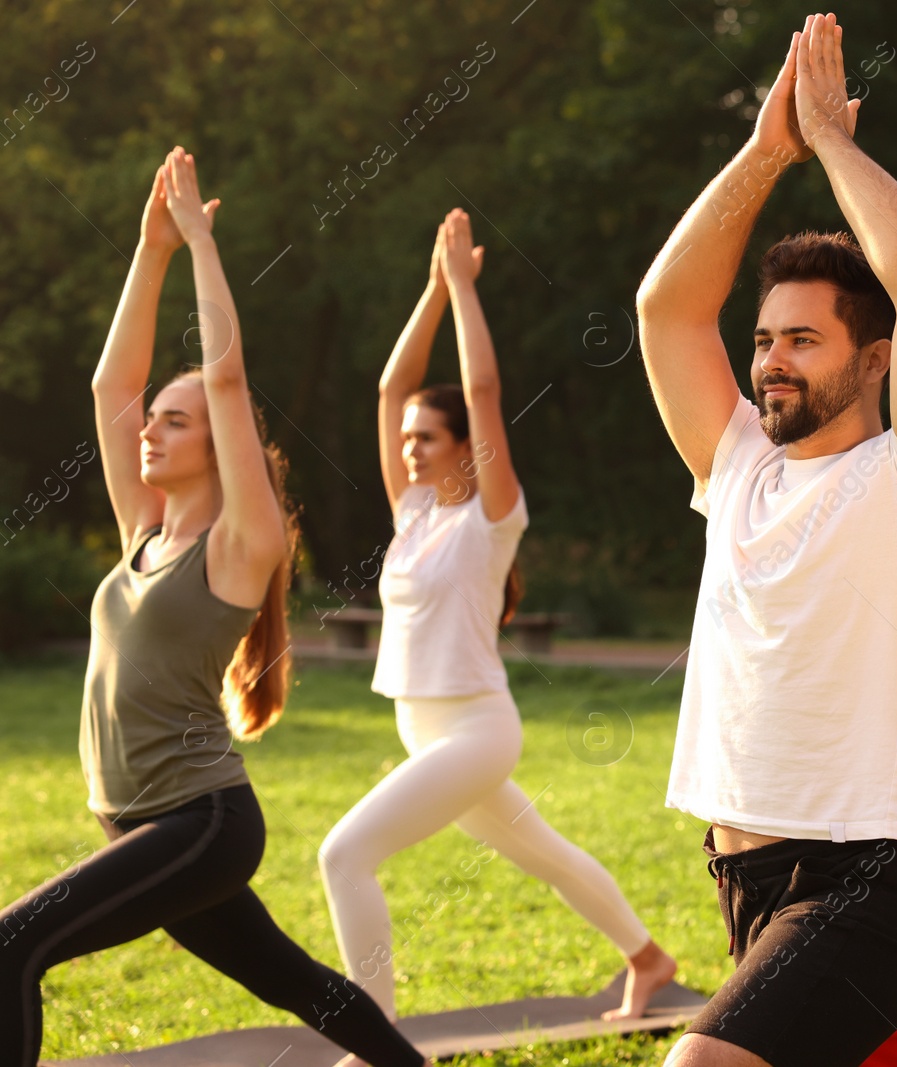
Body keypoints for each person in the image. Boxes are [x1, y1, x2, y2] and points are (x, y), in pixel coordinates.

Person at [0, 148, 424, 1067]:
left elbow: (227, 381)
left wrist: (199, 243)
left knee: (10, 948)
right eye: (156, 417)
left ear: (219, 450)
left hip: (198, 823)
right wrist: (148, 250)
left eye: (174, 420)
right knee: (293, 979)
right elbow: (112, 388)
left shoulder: (239, 549)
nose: (150, 425)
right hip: (136, 818)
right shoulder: (141, 533)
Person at [637, 14, 897, 1067]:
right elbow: (664, 309)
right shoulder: (737, 463)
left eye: (802, 338)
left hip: (868, 880)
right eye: (761, 339)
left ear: (875, 358)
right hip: (743, 874)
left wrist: (832, 143)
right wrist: (764, 153)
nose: (771, 361)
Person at [317, 209, 676, 1022]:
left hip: (476, 732)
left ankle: (373, 1038)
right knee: (544, 853)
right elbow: (387, 389)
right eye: (408, 439)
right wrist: (434, 290)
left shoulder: (492, 518)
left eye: (428, 437)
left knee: (345, 855)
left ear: (463, 448)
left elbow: (482, 390)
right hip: (425, 728)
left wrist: (469, 292)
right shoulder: (413, 513)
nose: (410, 447)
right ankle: (649, 958)